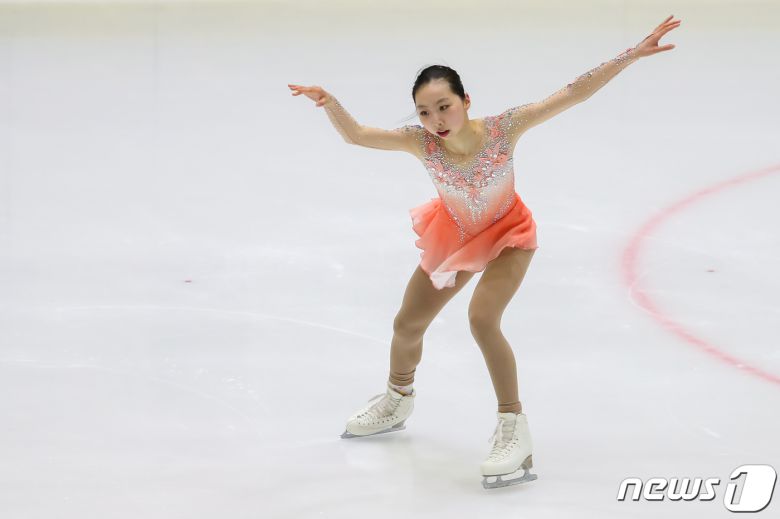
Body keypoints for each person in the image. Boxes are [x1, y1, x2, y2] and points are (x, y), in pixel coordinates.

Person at [288, 15, 680, 489]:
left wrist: (631, 54)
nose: (436, 120)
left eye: (444, 106)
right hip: (456, 235)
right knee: (407, 324)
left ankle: (513, 427)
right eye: (424, 112)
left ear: (466, 101)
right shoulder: (420, 143)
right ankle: (397, 399)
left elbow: (573, 93)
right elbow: (357, 136)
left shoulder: (503, 129)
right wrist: (329, 102)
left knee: (482, 319)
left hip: (509, 235)